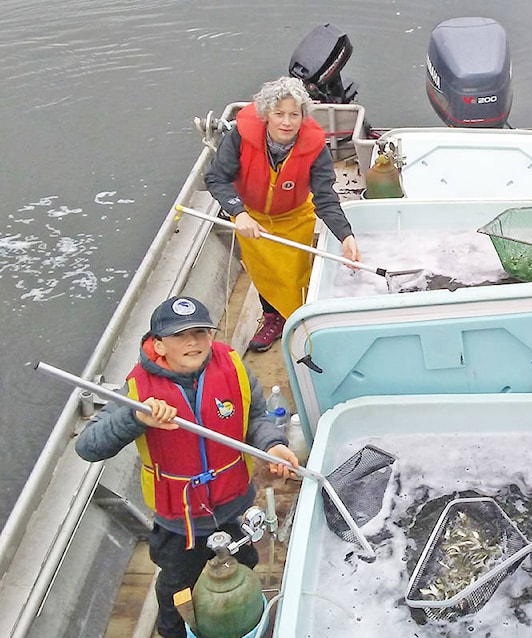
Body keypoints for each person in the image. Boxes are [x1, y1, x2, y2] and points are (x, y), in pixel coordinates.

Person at [75, 296, 300, 638]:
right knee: (178, 586)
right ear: (158, 343)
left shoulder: (233, 366)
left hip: (232, 503)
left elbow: (256, 416)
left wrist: (273, 444)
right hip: (179, 521)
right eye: (180, 335)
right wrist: (135, 417)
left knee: (246, 564)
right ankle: (173, 632)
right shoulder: (137, 390)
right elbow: (88, 447)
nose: (193, 341)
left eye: (200, 331)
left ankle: (244, 624)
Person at [205, 76, 361, 352]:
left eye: (294, 114)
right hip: (251, 217)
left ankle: (300, 318)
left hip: (293, 215)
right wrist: (238, 213)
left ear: (303, 116)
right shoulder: (239, 137)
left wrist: (345, 235)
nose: (286, 122)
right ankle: (272, 318)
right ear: (266, 115)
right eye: (279, 114)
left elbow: (325, 197)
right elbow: (217, 178)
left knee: (296, 274)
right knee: (262, 272)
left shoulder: (315, 148)